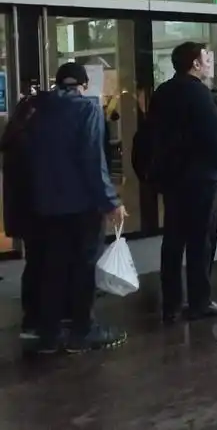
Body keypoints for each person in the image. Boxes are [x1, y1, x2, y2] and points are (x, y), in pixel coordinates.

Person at [26, 63, 127, 353]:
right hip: (82, 205)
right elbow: (93, 161)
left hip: (47, 205)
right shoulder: (87, 109)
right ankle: (83, 330)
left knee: (52, 268)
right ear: (83, 84)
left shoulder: (39, 110)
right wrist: (110, 201)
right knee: (84, 268)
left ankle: (50, 334)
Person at [147, 42, 217, 322]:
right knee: (201, 242)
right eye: (207, 59)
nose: (211, 63)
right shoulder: (199, 93)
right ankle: (200, 300)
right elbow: (214, 138)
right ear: (195, 64)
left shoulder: (163, 92)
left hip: (174, 180)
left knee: (173, 241)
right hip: (202, 179)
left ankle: (171, 302)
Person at [2, 91, 46, 340]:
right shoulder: (30, 141)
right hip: (38, 210)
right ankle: (37, 318)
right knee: (42, 263)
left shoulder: (15, 137)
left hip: (24, 212)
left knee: (34, 263)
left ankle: (31, 317)